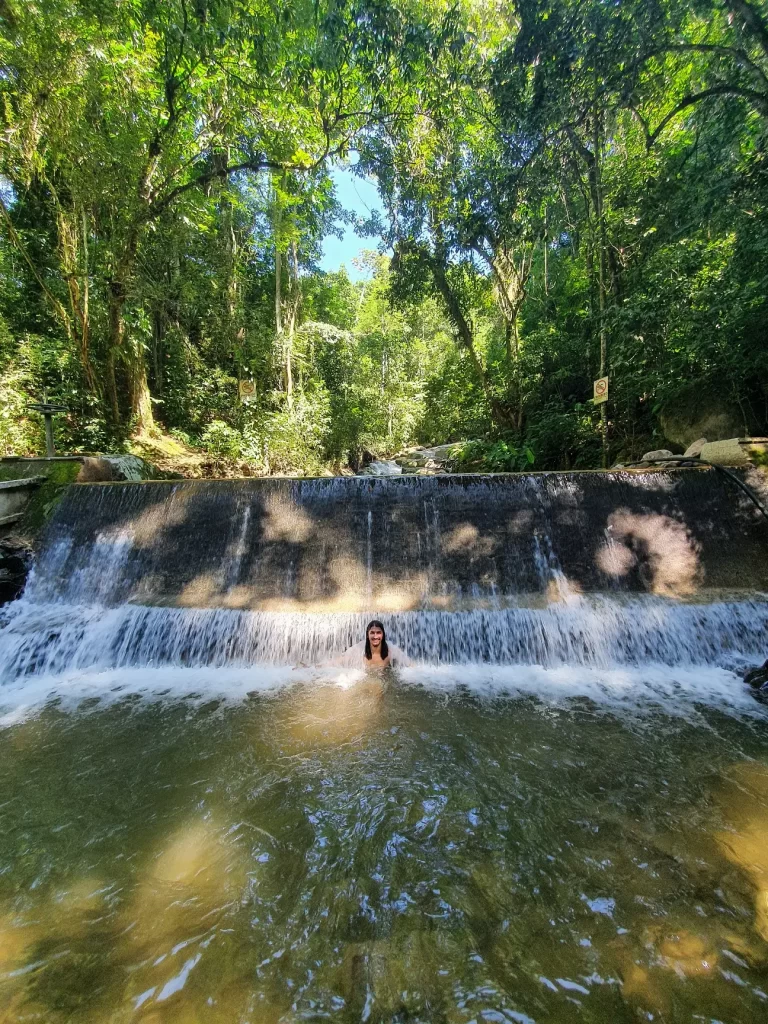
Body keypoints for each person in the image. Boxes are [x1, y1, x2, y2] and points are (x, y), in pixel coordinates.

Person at [325, 620, 413, 669]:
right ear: (367, 635)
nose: (375, 636)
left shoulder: (391, 650)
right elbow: (343, 659)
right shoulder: (360, 648)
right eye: (372, 633)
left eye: (378, 633)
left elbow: (409, 663)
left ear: (383, 635)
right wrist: (320, 667)